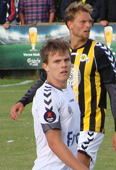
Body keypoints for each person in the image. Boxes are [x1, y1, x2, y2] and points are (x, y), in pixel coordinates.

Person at [10, 2, 116, 170]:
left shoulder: (99, 51)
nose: (88, 25)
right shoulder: (62, 52)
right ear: (69, 25)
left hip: (91, 125)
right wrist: (23, 101)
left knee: (78, 164)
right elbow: (43, 80)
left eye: (90, 22)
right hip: (67, 125)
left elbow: (113, 92)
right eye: (83, 22)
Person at [28, 38, 88, 170]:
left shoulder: (68, 90)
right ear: (46, 67)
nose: (63, 65)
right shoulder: (47, 95)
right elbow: (54, 142)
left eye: (66, 60)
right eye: (57, 61)